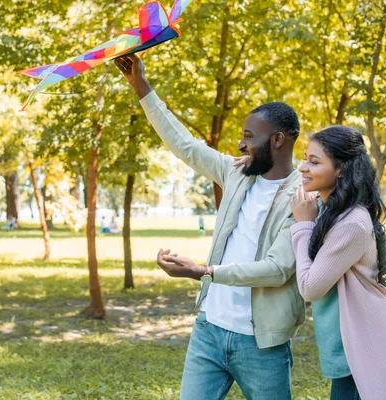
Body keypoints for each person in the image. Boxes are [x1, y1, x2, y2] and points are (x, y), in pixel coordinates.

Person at [115, 54, 305, 400]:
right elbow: (185, 146)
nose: (241, 145)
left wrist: (203, 271)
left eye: (250, 137)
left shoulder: (303, 198)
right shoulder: (236, 172)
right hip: (209, 330)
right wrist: (140, 85)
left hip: (260, 343)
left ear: (278, 140)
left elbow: (277, 270)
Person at [290, 125, 386, 400]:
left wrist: (303, 226)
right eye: (304, 158)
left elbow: (309, 287)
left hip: (371, 344)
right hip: (350, 345)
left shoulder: (351, 222)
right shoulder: (328, 210)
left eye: (314, 161)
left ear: (340, 169)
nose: (303, 167)